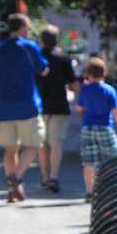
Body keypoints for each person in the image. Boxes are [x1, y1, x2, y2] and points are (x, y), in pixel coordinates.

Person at [0, 13, 49, 203]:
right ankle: (16, 178)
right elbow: (43, 69)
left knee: (10, 149)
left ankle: (13, 187)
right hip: (27, 105)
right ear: (22, 28)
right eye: (27, 28)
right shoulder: (29, 47)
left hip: (4, 106)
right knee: (33, 144)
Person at [73, 55, 117, 201]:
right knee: (112, 159)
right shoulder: (109, 90)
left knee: (89, 161)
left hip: (88, 127)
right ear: (104, 73)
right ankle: (113, 189)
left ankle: (90, 192)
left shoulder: (85, 89)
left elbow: (78, 107)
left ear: (88, 73)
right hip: (105, 127)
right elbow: (116, 111)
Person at [36, 25, 79, 193]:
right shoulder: (63, 58)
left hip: (39, 105)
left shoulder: (36, 57)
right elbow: (73, 83)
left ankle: (44, 176)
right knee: (55, 143)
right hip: (59, 105)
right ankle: (54, 177)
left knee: (42, 144)